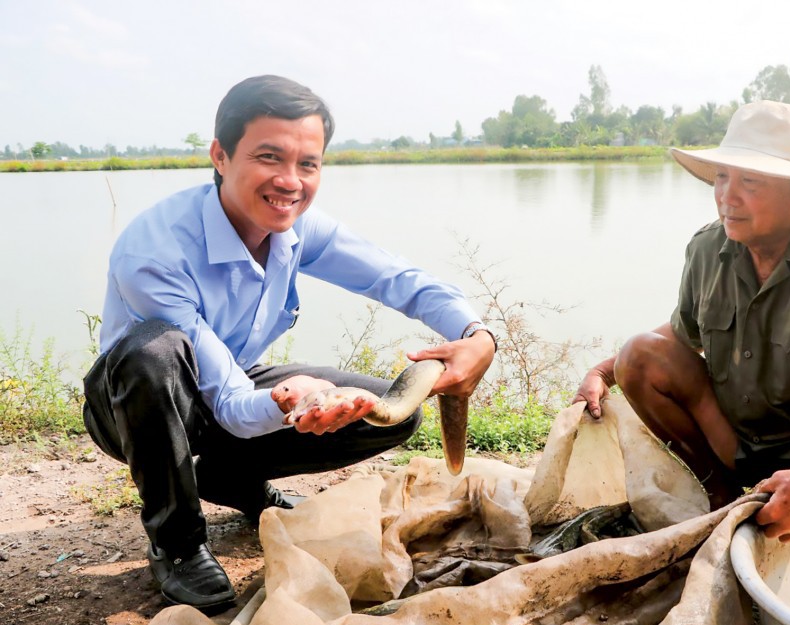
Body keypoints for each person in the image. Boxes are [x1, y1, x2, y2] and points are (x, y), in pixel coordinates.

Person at [81, 75, 496, 610]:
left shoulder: (298, 227)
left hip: (228, 384)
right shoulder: (155, 251)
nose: (290, 181)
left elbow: (396, 278)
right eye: (269, 157)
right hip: (137, 405)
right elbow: (228, 404)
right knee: (153, 350)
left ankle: (232, 482)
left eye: (308, 164)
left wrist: (475, 333)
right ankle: (178, 543)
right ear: (221, 155)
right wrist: (293, 397)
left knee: (394, 411)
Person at [573, 100, 790, 543]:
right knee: (640, 354)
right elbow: (677, 337)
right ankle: (720, 494)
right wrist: (605, 370)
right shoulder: (708, 249)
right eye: (722, 177)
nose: (726, 196)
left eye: (750, 181)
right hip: (745, 444)